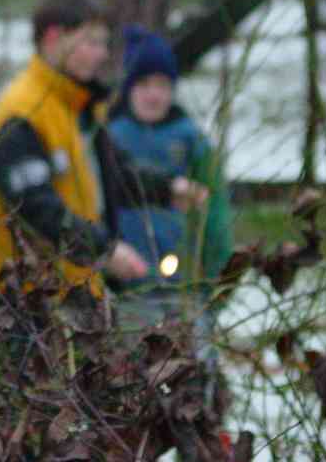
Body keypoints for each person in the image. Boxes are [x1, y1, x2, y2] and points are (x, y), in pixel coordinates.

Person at [0, 0, 204, 310]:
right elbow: (36, 208)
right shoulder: (21, 114)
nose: (101, 54)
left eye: (104, 44)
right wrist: (103, 250)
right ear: (54, 38)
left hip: (79, 288)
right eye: (92, 42)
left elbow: (112, 174)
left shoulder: (80, 106)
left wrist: (166, 189)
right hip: (30, 299)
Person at [107, 25, 234, 424]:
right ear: (129, 87)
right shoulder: (111, 136)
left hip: (186, 287)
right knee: (130, 380)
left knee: (196, 378)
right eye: (144, 83)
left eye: (162, 83)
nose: (153, 93)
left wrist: (217, 271)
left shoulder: (192, 141)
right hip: (129, 287)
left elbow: (215, 214)